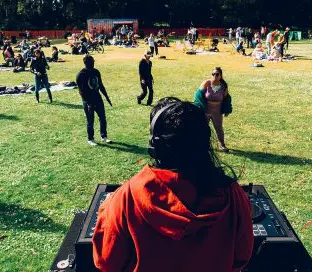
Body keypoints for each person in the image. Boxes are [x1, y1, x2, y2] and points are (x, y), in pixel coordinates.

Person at [92, 97, 253, 272]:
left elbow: (106, 262)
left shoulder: (126, 198)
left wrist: (106, 209)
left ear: (155, 146)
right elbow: (242, 255)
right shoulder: (232, 194)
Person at [77, 55, 113, 146]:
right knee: (90, 120)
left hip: (97, 98)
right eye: (92, 62)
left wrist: (107, 97)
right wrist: (88, 103)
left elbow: (100, 85)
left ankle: (104, 136)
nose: (93, 63)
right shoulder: (81, 75)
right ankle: (90, 138)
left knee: (103, 118)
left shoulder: (96, 72)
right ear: (87, 63)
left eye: (93, 61)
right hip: (88, 101)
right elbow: (81, 92)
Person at [200, 67, 230, 152]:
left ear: (220, 75)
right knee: (203, 127)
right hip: (206, 110)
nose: (215, 76)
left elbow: (226, 99)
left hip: (217, 111)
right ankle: (202, 144)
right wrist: (201, 107)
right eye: (213, 74)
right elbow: (198, 95)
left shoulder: (223, 86)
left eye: (217, 74)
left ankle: (222, 144)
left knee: (219, 127)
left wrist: (226, 109)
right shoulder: (206, 83)